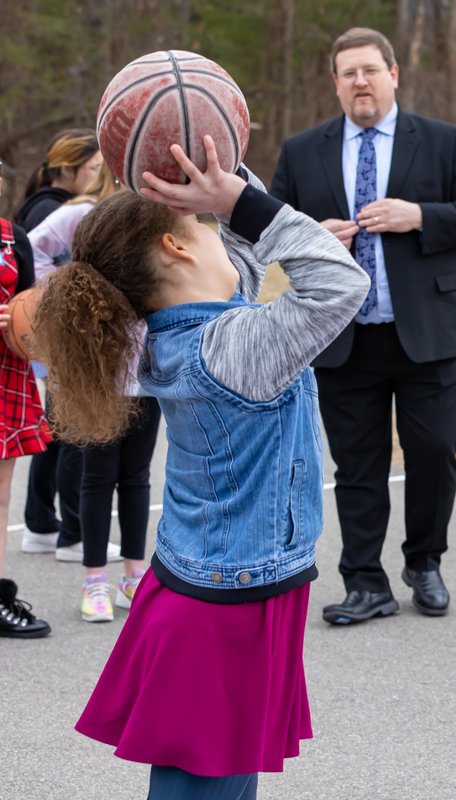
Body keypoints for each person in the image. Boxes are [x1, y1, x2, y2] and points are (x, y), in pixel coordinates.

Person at [35, 137, 368, 797]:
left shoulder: (185, 333)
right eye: (208, 223)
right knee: (204, 788)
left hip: (213, 588)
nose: (227, 230)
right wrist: (244, 201)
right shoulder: (232, 348)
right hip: (225, 607)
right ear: (178, 249)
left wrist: (221, 176)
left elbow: (237, 269)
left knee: (220, 784)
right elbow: (339, 283)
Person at [270, 27, 456, 623]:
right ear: (336, 83)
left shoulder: (444, 142)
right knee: (358, 465)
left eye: (370, 70)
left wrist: (418, 215)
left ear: (393, 75)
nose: (360, 82)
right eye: (348, 73)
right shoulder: (302, 151)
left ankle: (424, 563)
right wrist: (311, 236)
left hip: (430, 335)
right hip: (344, 336)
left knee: (433, 452)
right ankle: (364, 582)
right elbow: (266, 227)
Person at [29, 164, 156, 622]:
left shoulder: (157, 216)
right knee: (97, 475)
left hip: (145, 370)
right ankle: (95, 580)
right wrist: (63, 292)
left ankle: (133, 576)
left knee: (137, 476)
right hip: (96, 368)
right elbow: (34, 248)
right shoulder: (82, 214)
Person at [16, 128, 105, 563]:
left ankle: (40, 523)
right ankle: (70, 531)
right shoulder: (55, 212)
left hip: (56, 338)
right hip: (60, 339)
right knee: (71, 435)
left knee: (54, 435)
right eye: (93, 168)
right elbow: (34, 268)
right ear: (68, 169)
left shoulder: (43, 205)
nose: (99, 175)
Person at [0, 199, 53, 639]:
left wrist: (28, 321)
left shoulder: (12, 238)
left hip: (5, 376)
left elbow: (32, 309)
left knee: (0, 497)